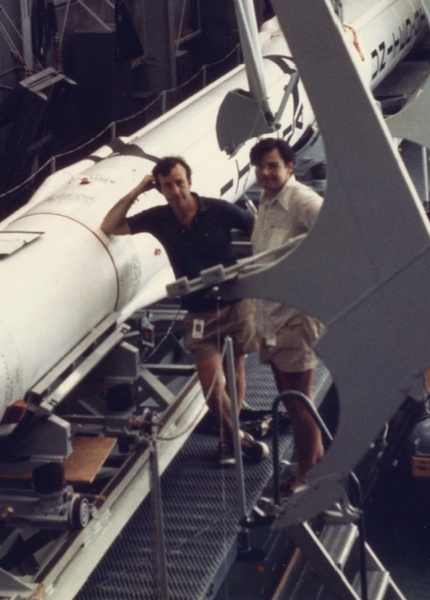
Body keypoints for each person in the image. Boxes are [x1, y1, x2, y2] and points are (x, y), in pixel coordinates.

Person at [101, 156, 268, 465]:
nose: (176, 191)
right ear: (160, 189)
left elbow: (258, 226)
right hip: (199, 313)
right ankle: (238, 436)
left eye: (180, 183)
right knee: (211, 387)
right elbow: (110, 225)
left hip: (236, 304)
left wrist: (254, 266)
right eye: (167, 186)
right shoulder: (158, 218)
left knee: (235, 373)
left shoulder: (218, 209)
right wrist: (138, 189)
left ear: (189, 182)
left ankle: (227, 442)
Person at [249, 138, 324, 492]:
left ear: (290, 166)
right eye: (260, 167)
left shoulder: (303, 201)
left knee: (298, 402)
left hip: (295, 317)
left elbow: (337, 241)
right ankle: (314, 466)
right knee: (289, 399)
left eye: (273, 165)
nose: (265, 172)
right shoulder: (267, 201)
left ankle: (306, 477)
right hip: (271, 316)